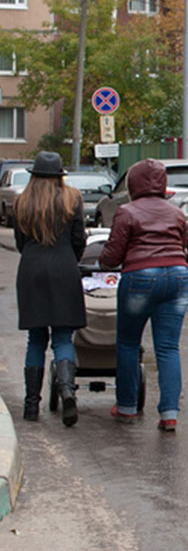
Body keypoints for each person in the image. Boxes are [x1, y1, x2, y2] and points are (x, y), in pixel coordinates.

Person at [99, 159, 188, 432]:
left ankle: (126, 407)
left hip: (140, 278)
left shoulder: (126, 211)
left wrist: (103, 262)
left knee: (128, 343)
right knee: (168, 347)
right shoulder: (176, 213)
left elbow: (112, 256)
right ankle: (169, 414)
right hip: (177, 278)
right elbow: (182, 245)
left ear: (133, 183)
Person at [14, 151, 86, 426]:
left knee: (35, 340)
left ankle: (31, 406)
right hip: (64, 268)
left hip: (31, 270)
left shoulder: (23, 201)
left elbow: (21, 242)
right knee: (63, 339)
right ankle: (68, 392)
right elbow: (79, 238)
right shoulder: (71, 199)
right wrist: (69, 257)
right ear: (59, 176)